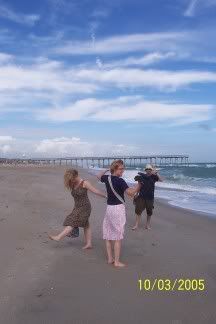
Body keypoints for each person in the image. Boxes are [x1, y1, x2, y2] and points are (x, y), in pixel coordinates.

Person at [97, 160, 140, 268]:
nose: (123, 170)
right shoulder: (120, 181)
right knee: (117, 237)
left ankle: (110, 259)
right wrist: (139, 185)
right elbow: (131, 193)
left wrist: (107, 170)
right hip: (118, 209)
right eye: (121, 168)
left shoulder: (107, 178)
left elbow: (98, 176)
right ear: (115, 169)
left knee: (108, 234)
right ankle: (116, 262)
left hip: (109, 209)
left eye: (123, 168)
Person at [49, 169, 106, 249]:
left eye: (72, 178)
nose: (71, 181)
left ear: (76, 175)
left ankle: (59, 237)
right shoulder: (73, 183)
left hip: (85, 207)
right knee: (86, 224)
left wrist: (106, 196)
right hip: (77, 207)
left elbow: (95, 191)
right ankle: (89, 244)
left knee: (72, 221)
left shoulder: (84, 183)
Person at [132, 164, 163, 230]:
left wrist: (156, 172)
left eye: (150, 169)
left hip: (150, 197)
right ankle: (136, 225)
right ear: (145, 170)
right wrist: (136, 194)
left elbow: (161, 180)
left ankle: (147, 225)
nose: (148, 170)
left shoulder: (154, 177)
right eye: (147, 169)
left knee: (149, 212)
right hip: (141, 196)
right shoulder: (141, 177)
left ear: (151, 170)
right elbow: (139, 186)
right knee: (138, 211)